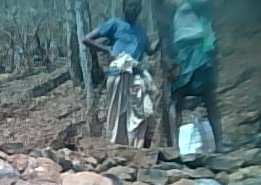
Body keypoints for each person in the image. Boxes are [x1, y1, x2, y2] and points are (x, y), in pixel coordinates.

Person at [83, 0, 160, 148]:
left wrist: (162, 37)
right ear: (124, 7)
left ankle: (139, 149)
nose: (134, 9)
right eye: (130, 5)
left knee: (147, 113)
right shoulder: (115, 24)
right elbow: (87, 39)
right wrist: (107, 50)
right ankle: (119, 149)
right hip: (118, 73)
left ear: (141, 8)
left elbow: (150, 50)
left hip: (137, 76)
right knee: (119, 115)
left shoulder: (141, 31)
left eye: (137, 5)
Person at [168, 0, 224, 152]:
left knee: (209, 97)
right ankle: (174, 146)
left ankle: (219, 144)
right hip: (182, 51)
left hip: (199, 49)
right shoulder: (173, 8)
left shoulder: (197, 3)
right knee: (176, 98)